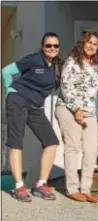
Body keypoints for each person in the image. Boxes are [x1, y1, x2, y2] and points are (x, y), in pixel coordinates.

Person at [55, 32, 98, 203]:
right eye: (89, 42)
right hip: (68, 108)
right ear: (83, 43)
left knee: (91, 150)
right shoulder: (71, 61)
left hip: (89, 112)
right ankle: (72, 188)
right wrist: (75, 109)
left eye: (95, 44)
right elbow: (65, 86)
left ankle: (85, 189)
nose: (92, 46)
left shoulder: (94, 66)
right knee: (73, 147)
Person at [1, 32, 62, 202]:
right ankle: (19, 186)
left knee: (51, 142)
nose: (52, 48)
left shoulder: (57, 65)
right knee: (16, 142)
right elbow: (6, 71)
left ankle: (41, 184)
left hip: (35, 107)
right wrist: (9, 92)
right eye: (48, 45)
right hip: (18, 101)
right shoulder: (33, 59)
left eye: (55, 46)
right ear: (42, 47)